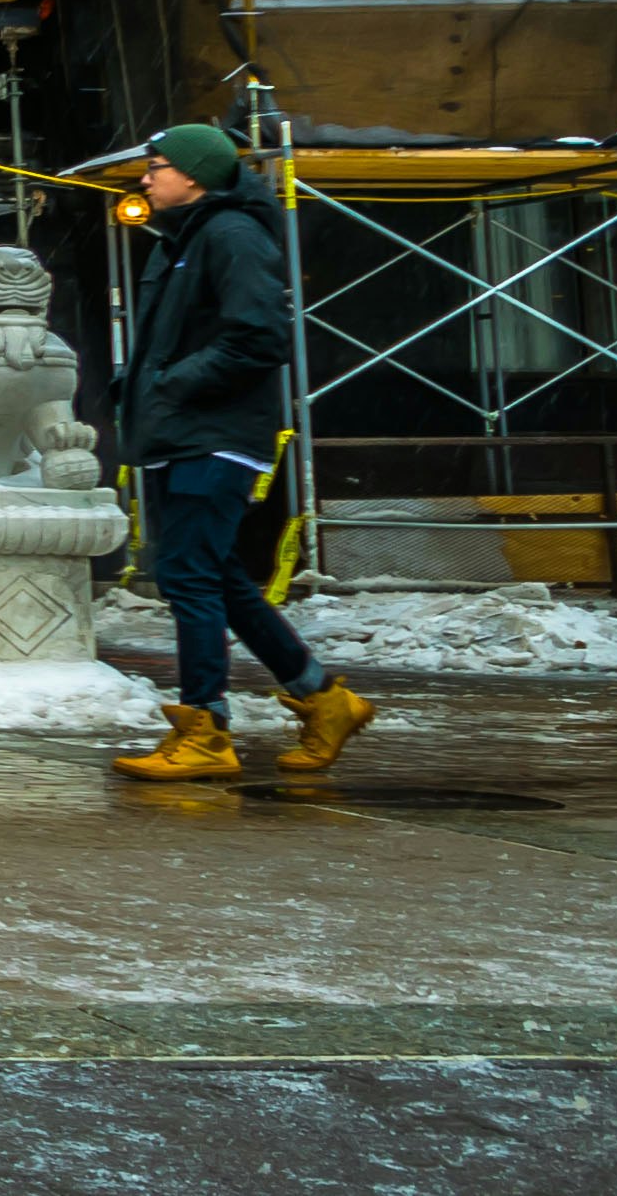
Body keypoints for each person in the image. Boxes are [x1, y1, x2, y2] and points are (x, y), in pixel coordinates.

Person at [110, 123, 375, 779]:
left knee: (188, 575)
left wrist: (171, 383)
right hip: (190, 433)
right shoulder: (185, 240)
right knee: (212, 575)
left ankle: (205, 729)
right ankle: (321, 699)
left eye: (158, 166)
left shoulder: (228, 236)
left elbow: (258, 337)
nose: (146, 177)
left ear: (196, 175)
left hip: (216, 436)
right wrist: (144, 383)